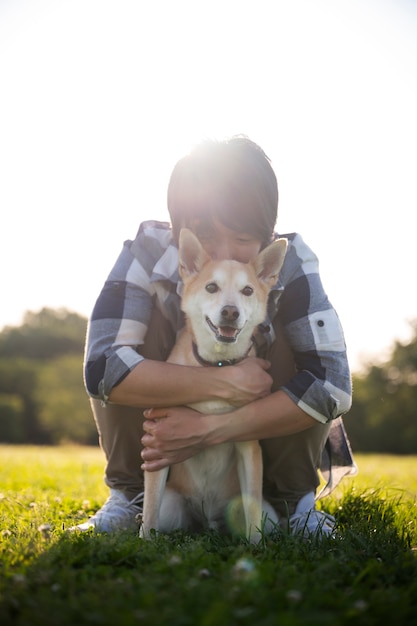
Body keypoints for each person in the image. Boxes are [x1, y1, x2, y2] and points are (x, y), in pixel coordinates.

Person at [73, 136, 355, 537]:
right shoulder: (146, 250)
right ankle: (133, 496)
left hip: (255, 448)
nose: (226, 253)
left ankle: (295, 504)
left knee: (295, 339)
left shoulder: (290, 261)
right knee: (129, 334)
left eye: (242, 238)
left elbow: (333, 386)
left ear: (268, 229)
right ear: (179, 228)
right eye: (207, 236)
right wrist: (225, 381)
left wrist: (210, 429)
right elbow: (101, 368)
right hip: (165, 449)